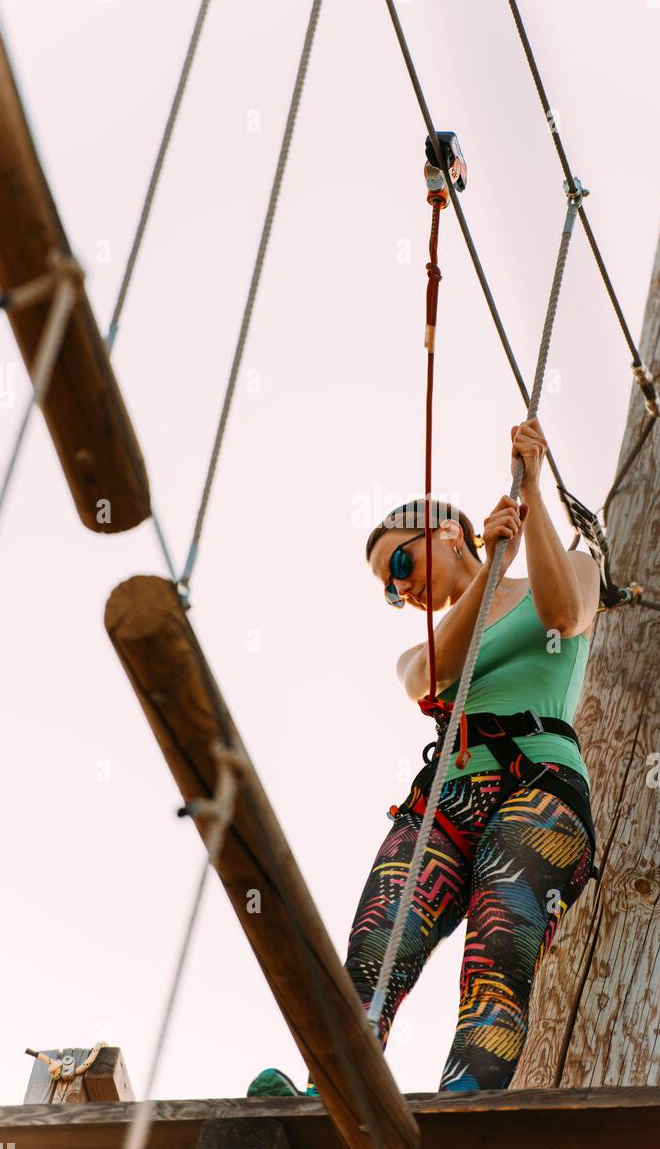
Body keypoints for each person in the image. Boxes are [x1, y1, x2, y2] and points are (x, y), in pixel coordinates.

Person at [248, 417, 600, 1099]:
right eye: (387, 588)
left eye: (400, 565)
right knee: (375, 951)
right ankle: (334, 1094)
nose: (398, 590)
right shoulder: (423, 649)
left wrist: (530, 503)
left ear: (445, 531)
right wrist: (485, 567)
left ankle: (465, 1100)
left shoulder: (565, 573)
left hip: (540, 786)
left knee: (497, 957)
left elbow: (562, 614)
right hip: (445, 801)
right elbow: (431, 676)